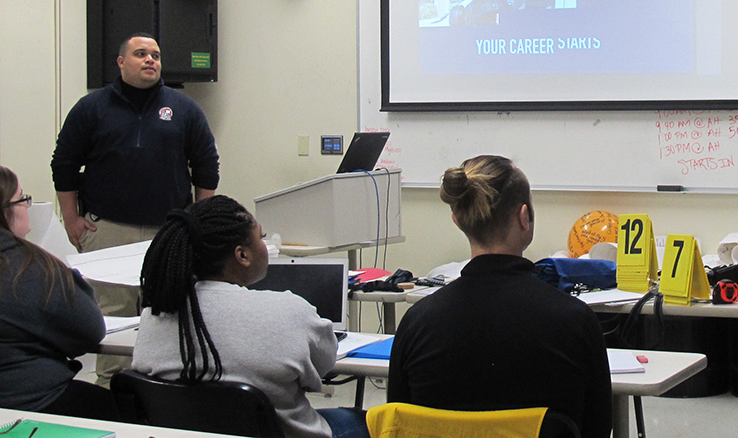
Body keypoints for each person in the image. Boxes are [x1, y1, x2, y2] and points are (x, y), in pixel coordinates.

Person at [387, 155, 612, 438]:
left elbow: (399, 422)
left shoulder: (417, 322)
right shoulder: (574, 321)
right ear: (524, 217)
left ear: (456, 220)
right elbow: (598, 428)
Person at [51, 32, 219, 382]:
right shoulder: (92, 107)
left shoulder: (184, 108)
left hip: (168, 232)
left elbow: (206, 167)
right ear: (121, 62)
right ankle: (113, 395)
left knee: (167, 317)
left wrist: (197, 222)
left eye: (155, 55)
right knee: (113, 321)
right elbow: (64, 165)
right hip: (108, 230)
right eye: (141, 54)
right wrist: (71, 219)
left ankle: (162, 401)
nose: (150, 61)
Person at [131, 195, 368, 438]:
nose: (266, 245)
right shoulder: (289, 310)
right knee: (369, 420)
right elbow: (323, 367)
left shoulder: (155, 314)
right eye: (262, 238)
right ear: (242, 256)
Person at [0, 165, 117, 419]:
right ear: (5, 212)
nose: (27, 207)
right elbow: (90, 329)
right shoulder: (30, 268)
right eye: (23, 199)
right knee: (117, 404)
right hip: (31, 404)